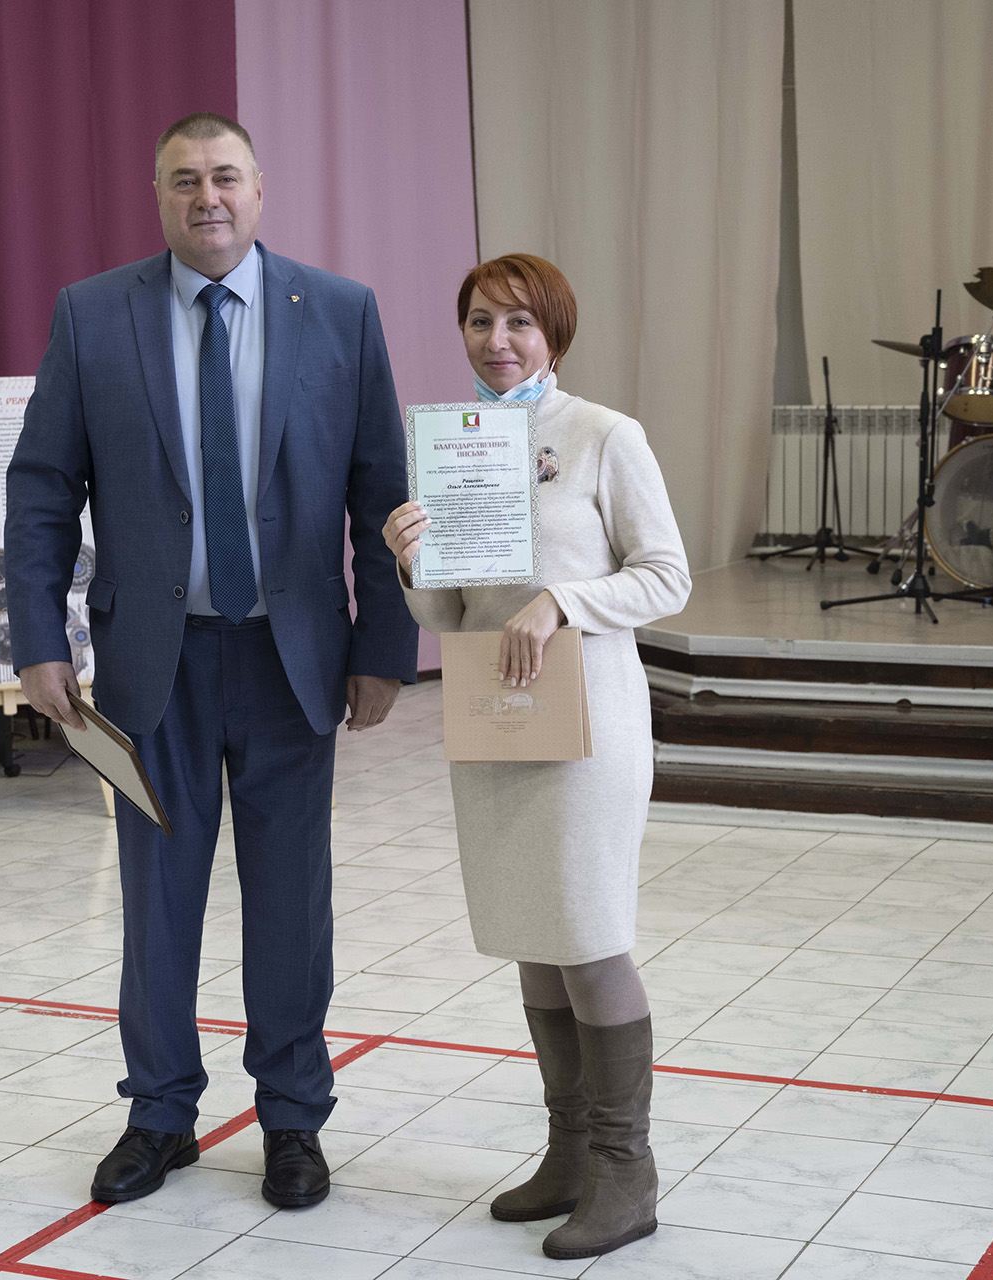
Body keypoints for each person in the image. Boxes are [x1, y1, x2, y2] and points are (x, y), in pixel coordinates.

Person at [6, 112, 417, 1211]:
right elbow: (42, 486)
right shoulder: (94, 315)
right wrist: (39, 638)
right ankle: (159, 1113)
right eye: (184, 180)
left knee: (291, 903)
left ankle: (292, 1117)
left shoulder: (340, 312)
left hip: (293, 662)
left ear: (259, 189)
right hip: (155, 666)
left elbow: (382, 489)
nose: (208, 197)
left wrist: (385, 646)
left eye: (225, 176)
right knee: (157, 900)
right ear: (158, 195)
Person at [382, 254, 689, 1260]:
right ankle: (568, 1155)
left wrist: (563, 600)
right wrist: (410, 560)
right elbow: (449, 614)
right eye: (480, 321)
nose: (498, 339)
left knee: (588, 935)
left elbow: (667, 577)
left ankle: (626, 1171)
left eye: (518, 321)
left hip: (588, 725)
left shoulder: (604, 434)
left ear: (554, 330)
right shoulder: (453, 446)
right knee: (534, 933)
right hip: (496, 718)